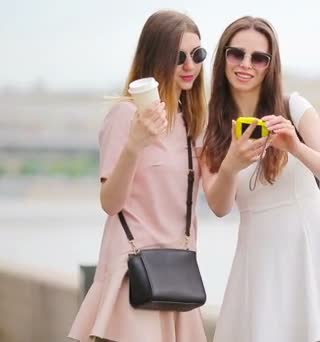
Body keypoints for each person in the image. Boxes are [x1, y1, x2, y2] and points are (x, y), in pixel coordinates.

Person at [201, 16, 320, 342]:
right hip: (258, 255)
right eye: (236, 54)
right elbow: (220, 207)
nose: (246, 65)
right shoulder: (212, 130)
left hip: (309, 244)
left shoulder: (293, 106)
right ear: (223, 56)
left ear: (270, 64)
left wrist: (295, 146)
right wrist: (230, 166)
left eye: (258, 57)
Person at [69, 10, 209, 342]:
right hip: (130, 276)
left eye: (198, 55)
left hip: (177, 277)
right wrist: (135, 144)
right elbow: (110, 202)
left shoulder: (193, 124)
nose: (190, 66)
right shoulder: (126, 115)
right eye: (179, 57)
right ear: (155, 58)